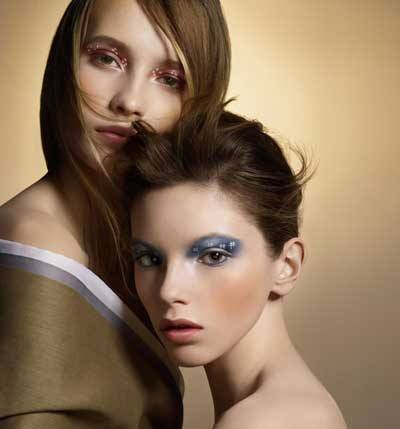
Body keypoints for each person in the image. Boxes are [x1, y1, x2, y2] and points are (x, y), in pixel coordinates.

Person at [0, 1, 230, 427]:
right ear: (65, 63)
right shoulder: (33, 244)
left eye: (169, 79)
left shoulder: (150, 240)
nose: (130, 101)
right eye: (107, 59)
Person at [124, 111, 348, 428]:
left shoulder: (264, 420)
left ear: (287, 265)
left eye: (213, 255)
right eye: (149, 259)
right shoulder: (294, 408)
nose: (168, 289)